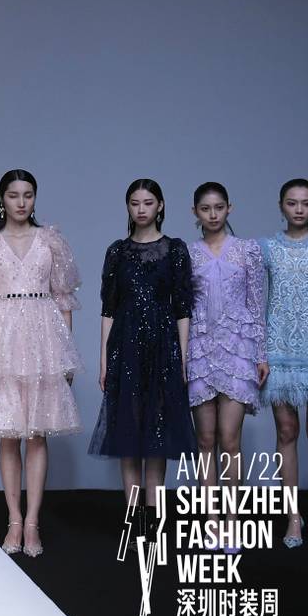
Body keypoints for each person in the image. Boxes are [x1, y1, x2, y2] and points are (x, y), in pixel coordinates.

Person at [0, 169, 82, 558]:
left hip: (43, 341)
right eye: (14, 195)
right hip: (3, 340)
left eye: (28, 194)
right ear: (2, 199)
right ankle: (13, 519)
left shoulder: (50, 241)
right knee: (9, 433)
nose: (21, 202)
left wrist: (65, 353)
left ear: (35, 198)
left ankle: (32, 523)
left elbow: (63, 301)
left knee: (37, 433)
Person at [89, 178, 195, 546]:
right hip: (126, 348)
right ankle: (133, 521)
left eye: (148, 202)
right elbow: (108, 309)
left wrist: (183, 358)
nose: (141, 209)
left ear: (160, 206)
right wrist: (104, 360)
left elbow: (183, 308)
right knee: (128, 435)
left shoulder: (175, 250)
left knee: (157, 437)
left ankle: (154, 522)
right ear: (128, 207)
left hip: (164, 348)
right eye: (135, 203)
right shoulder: (117, 252)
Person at [187, 182, 267, 553]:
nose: (213, 214)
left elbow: (257, 304)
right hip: (200, 348)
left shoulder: (247, 250)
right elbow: (182, 309)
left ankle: (232, 521)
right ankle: (211, 523)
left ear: (229, 208)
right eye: (206, 208)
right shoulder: (188, 254)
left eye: (219, 207)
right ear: (195, 213)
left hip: (238, 349)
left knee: (230, 440)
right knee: (205, 441)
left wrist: (260, 354)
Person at [260, 178, 308, 549]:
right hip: (279, 351)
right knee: (286, 432)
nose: (299, 209)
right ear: (281, 205)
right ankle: (294, 517)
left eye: (306, 203)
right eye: (292, 202)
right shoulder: (267, 249)